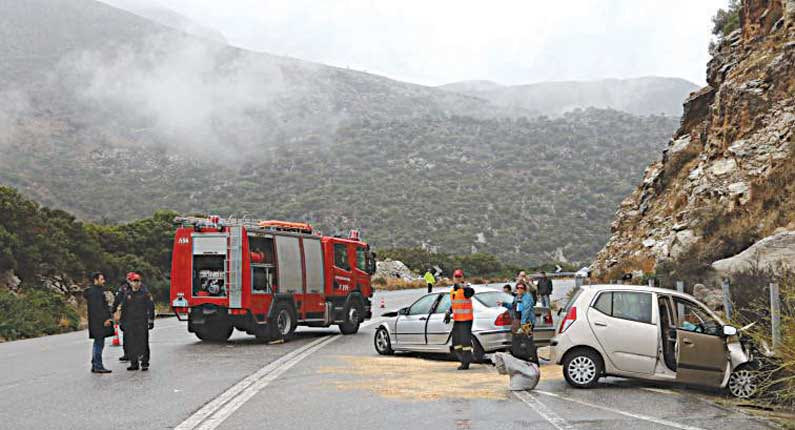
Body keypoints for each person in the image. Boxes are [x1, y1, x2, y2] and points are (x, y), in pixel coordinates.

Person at [117, 272, 155, 371]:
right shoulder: (127, 294)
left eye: (138, 281)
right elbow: (124, 309)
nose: (136, 283)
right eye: (134, 281)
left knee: (143, 343)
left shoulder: (145, 294)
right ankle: (134, 363)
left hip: (142, 322)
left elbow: (151, 307)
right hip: (130, 322)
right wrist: (121, 322)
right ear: (131, 282)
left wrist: (151, 320)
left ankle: (145, 362)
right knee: (131, 343)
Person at [443, 269, 475, 370]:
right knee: (456, 342)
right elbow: (455, 304)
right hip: (457, 320)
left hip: (466, 320)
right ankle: (464, 359)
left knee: (465, 342)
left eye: (459, 277)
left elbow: (471, 292)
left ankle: (466, 363)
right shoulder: (453, 290)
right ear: (453, 278)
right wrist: (449, 312)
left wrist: (464, 287)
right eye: (456, 277)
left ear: (462, 278)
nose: (457, 278)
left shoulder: (466, 289)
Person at [83, 272, 113, 374]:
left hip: (96, 322)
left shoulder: (96, 291)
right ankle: (98, 365)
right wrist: (105, 319)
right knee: (99, 343)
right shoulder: (95, 292)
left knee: (98, 342)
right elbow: (98, 309)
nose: (103, 281)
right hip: (99, 322)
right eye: (101, 279)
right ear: (95, 280)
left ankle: (95, 364)